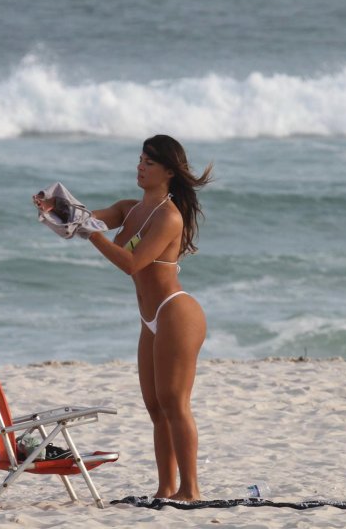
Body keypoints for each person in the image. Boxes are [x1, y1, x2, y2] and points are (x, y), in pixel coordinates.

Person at [37, 135, 212, 501]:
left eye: (148, 162)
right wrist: (56, 208)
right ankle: (166, 488)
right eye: (140, 159)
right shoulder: (130, 208)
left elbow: (132, 263)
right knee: (155, 406)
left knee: (174, 403)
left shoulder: (168, 216)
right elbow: (85, 219)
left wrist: (92, 236)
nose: (140, 166)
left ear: (168, 171)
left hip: (176, 313)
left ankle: (190, 489)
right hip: (150, 317)